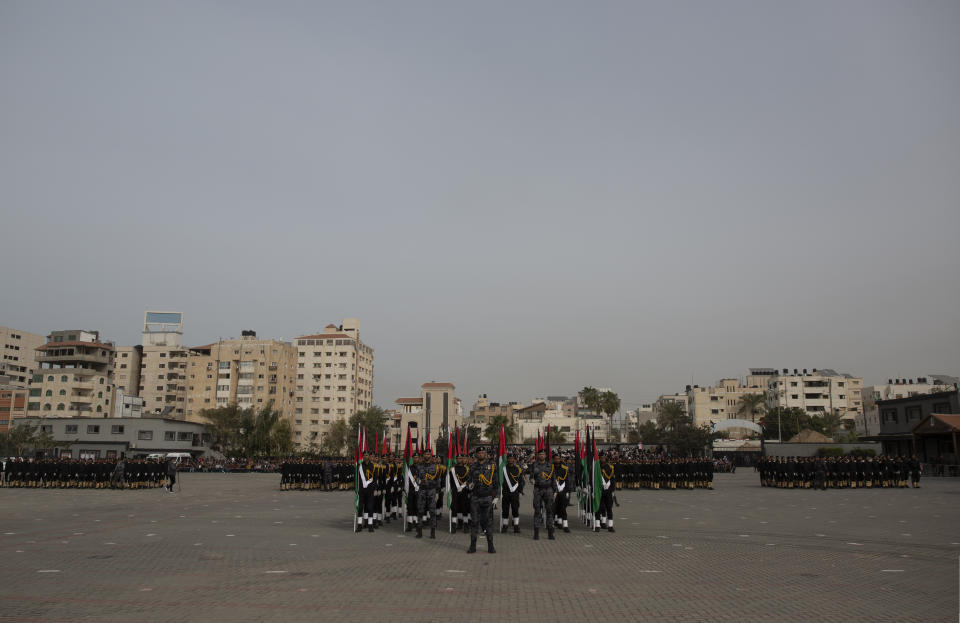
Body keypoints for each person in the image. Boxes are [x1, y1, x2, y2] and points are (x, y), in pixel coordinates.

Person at [466, 446, 497, 554]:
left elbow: (495, 482)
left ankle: (491, 546)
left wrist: (495, 497)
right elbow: (468, 481)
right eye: (479, 452)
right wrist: (469, 486)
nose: (481, 454)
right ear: (476, 454)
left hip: (487, 497)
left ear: (486, 454)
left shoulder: (492, 466)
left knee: (488, 522)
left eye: (483, 452)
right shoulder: (472, 467)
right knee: (474, 522)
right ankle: (472, 546)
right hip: (475, 497)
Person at [526, 449, 555, 541]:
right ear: (538, 456)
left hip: (548, 489)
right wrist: (531, 480)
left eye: (543, 454)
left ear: (545, 456)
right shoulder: (534, 465)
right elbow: (531, 477)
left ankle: (550, 533)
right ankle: (536, 533)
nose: (542, 456)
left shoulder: (550, 465)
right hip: (538, 489)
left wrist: (556, 491)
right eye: (540, 454)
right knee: (537, 511)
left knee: (549, 511)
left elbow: (554, 479)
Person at [415, 453, 444, 539]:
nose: (427, 455)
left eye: (428, 454)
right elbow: (416, 477)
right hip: (422, 490)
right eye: (425, 454)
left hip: (432, 490)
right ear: (423, 456)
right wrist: (417, 481)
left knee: (432, 511)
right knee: (420, 510)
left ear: (430, 456)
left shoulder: (436, 466)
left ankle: (433, 532)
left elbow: (438, 479)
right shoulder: (419, 466)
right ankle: (419, 531)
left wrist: (438, 492)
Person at [500, 453, 524, 533]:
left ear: (514, 460)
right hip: (506, 492)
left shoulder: (518, 469)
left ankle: (516, 526)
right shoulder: (503, 469)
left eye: (512, 458)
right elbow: (500, 480)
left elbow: (521, 481)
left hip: (515, 492)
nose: (510, 460)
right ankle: (505, 525)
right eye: (509, 458)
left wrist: (520, 491)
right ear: (507, 459)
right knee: (505, 510)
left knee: (515, 509)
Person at [552, 452, 572, 533]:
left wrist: (567, 491)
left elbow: (567, 481)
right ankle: (552, 525)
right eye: (555, 459)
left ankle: (565, 525)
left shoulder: (565, 468)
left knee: (563, 508)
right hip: (553, 492)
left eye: (558, 459)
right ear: (553, 459)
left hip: (562, 491)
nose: (557, 460)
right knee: (553, 509)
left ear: (560, 459)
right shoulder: (550, 468)